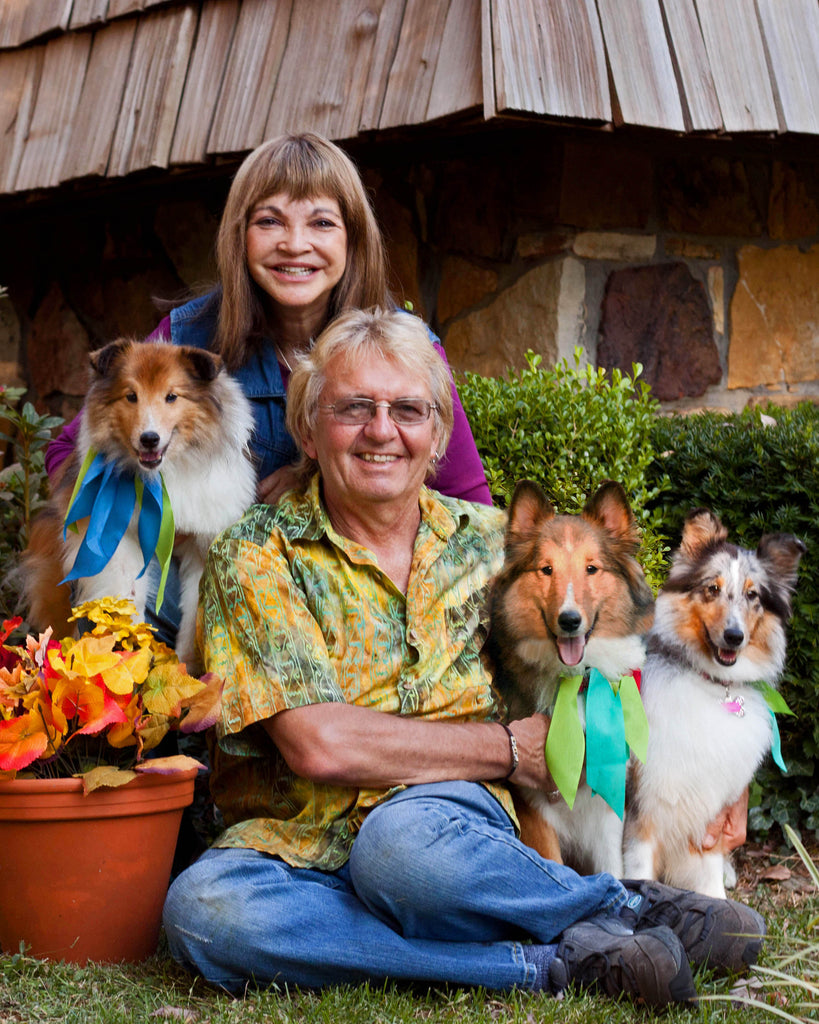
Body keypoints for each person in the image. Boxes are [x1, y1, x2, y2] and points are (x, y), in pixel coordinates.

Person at [162, 308, 765, 1005]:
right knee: (203, 912)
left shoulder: (500, 548)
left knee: (399, 849)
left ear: (438, 433)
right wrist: (507, 748)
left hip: (448, 832)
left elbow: (627, 648)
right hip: (293, 847)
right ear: (307, 428)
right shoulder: (255, 553)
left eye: (407, 410)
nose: (382, 430)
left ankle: (609, 917)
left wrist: (723, 772)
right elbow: (318, 744)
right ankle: (578, 947)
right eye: (354, 407)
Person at [45, 131, 490, 510]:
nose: (295, 244)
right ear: (240, 237)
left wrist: (316, 484)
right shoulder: (188, 338)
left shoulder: (408, 350)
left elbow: (467, 502)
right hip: (204, 591)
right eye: (270, 221)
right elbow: (66, 455)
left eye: (321, 223)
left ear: (353, 240)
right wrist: (175, 517)